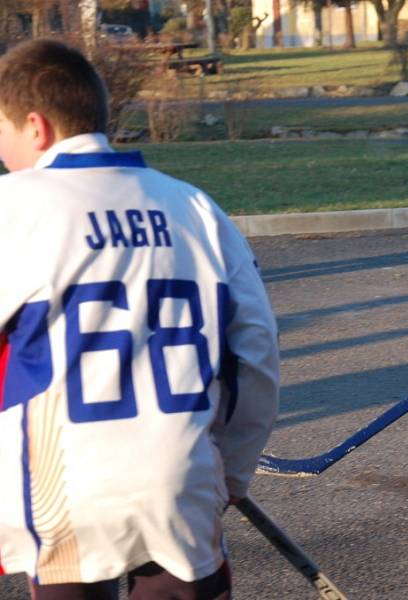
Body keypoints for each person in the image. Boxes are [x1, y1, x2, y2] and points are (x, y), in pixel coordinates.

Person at [0, 39, 280, 600]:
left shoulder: (14, 204)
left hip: (65, 495)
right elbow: (255, 350)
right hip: (178, 480)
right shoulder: (197, 206)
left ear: (36, 126)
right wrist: (231, 472)